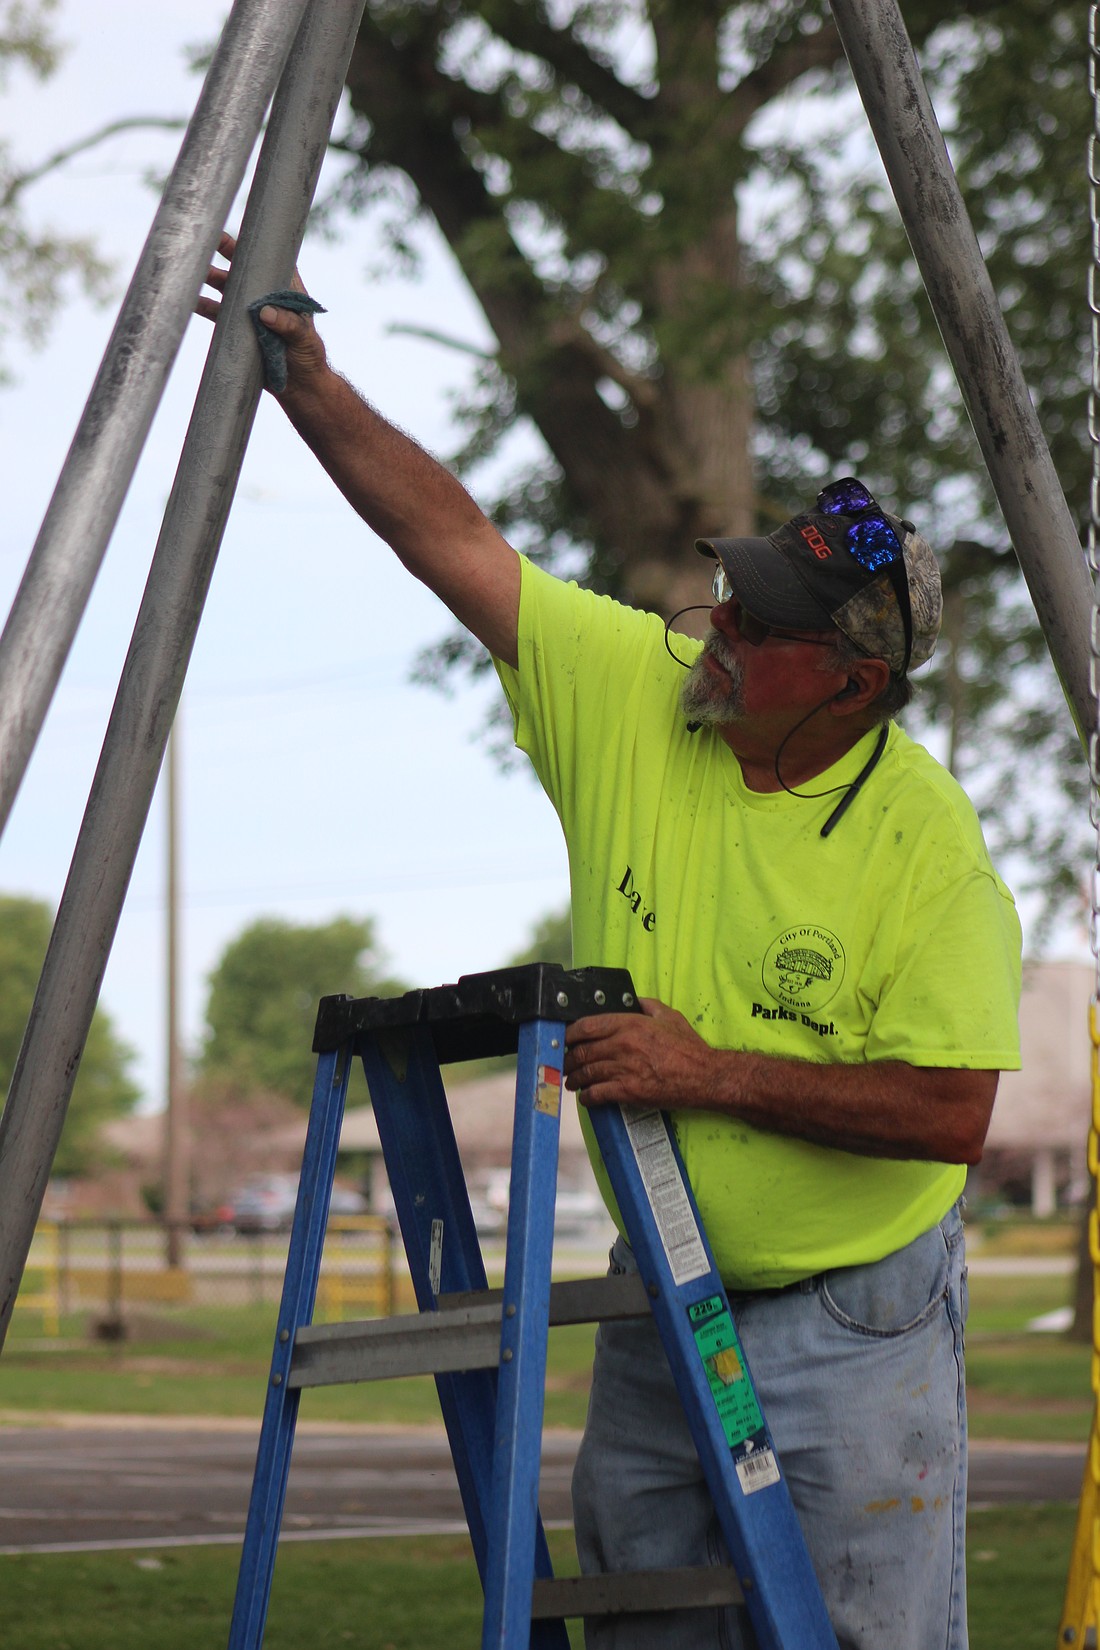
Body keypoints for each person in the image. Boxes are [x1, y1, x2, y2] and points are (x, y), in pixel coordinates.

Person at [199, 236, 1022, 1650]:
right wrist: (315, 392)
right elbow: (456, 544)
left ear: (850, 679)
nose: (715, 626)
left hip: (857, 1323)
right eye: (728, 591)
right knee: (644, 1615)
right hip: (670, 1292)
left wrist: (713, 1071)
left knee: (866, 1632)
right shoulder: (643, 688)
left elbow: (951, 1110)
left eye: (757, 622)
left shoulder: (928, 846)